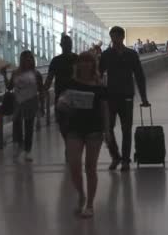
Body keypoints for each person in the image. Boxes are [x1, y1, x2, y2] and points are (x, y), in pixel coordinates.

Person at [57, 52, 109, 218]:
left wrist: (107, 131)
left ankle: (90, 204)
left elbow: (104, 109)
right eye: (82, 61)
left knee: (90, 167)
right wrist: (64, 106)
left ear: (93, 65)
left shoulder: (99, 86)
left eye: (89, 62)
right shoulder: (70, 83)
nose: (85, 65)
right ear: (78, 65)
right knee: (74, 165)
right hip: (74, 128)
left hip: (94, 129)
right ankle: (81, 193)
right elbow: (62, 102)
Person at [100, 26, 150, 171]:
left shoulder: (131, 54)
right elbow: (98, 73)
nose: (113, 40)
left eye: (115, 37)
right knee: (108, 129)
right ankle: (116, 156)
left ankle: (126, 160)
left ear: (122, 37)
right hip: (110, 96)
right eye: (111, 37)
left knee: (126, 129)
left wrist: (144, 97)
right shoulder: (106, 54)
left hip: (127, 96)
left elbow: (139, 76)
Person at [0, 50, 44, 162]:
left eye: (29, 58)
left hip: (31, 103)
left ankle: (28, 151)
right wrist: (4, 75)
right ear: (21, 60)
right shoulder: (16, 73)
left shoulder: (36, 74)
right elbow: (9, 87)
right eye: (25, 58)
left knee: (29, 127)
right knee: (17, 126)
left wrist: (41, 106)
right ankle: (19, 145)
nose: (27, 60)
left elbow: (41, 90)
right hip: (18, 103)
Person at [44, 35, 80, 141]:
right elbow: (49, 79)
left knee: (69, 127)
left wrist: (44, 89)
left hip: (72, 98)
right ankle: (70, 146)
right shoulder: (72, 59)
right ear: (61, 45)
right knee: (65, 126)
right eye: (66, 44)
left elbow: (49, 79)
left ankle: (70, 147)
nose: (67, 46)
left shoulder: (75, 59)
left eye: (68, 44)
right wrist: (43, 90)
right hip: (64, 98)